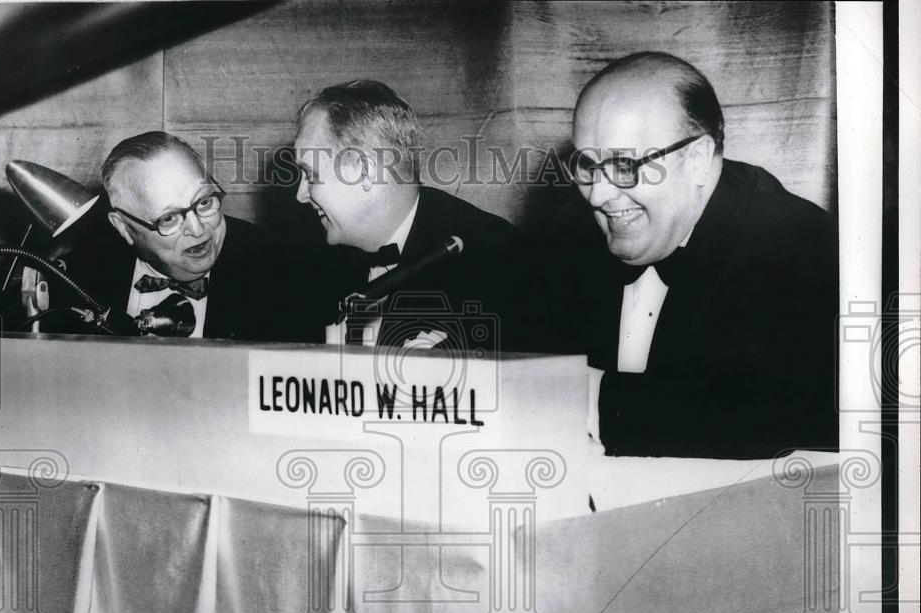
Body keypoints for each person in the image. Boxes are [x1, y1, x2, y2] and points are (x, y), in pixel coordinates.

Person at [523, 52, 838, 458]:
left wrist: (578, 396)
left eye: (624, 165)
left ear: (697, 160)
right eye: (586, 165)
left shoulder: (797, 242)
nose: (598, 196)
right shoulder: (568, 233)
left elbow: (759, 413)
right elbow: (527, 350)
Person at [292, 80, 519, 349]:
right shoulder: (309, 262)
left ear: (365, 172)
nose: (300, 194)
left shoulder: (498, 259)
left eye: (311, 175)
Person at [55, 131, 324, 342]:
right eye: (169, 218)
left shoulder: (285, 271)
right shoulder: (78, 277)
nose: (197, 230)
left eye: (204, 202)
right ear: (123, 227)